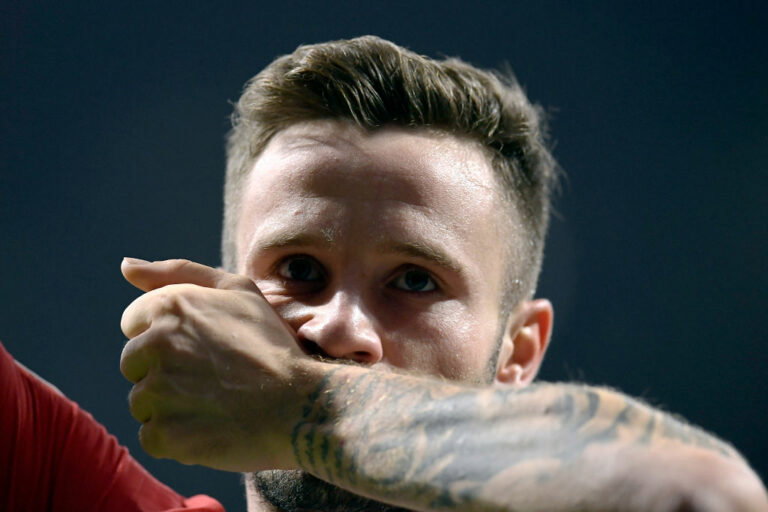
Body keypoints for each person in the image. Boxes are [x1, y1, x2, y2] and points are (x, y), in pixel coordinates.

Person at [3, 35, 766, 511]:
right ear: (221, 303)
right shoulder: (56, 482)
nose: (338, 328)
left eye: (413, 281)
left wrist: (297, 403)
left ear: (519, 351)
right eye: (298, 269)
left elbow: (704, 497)